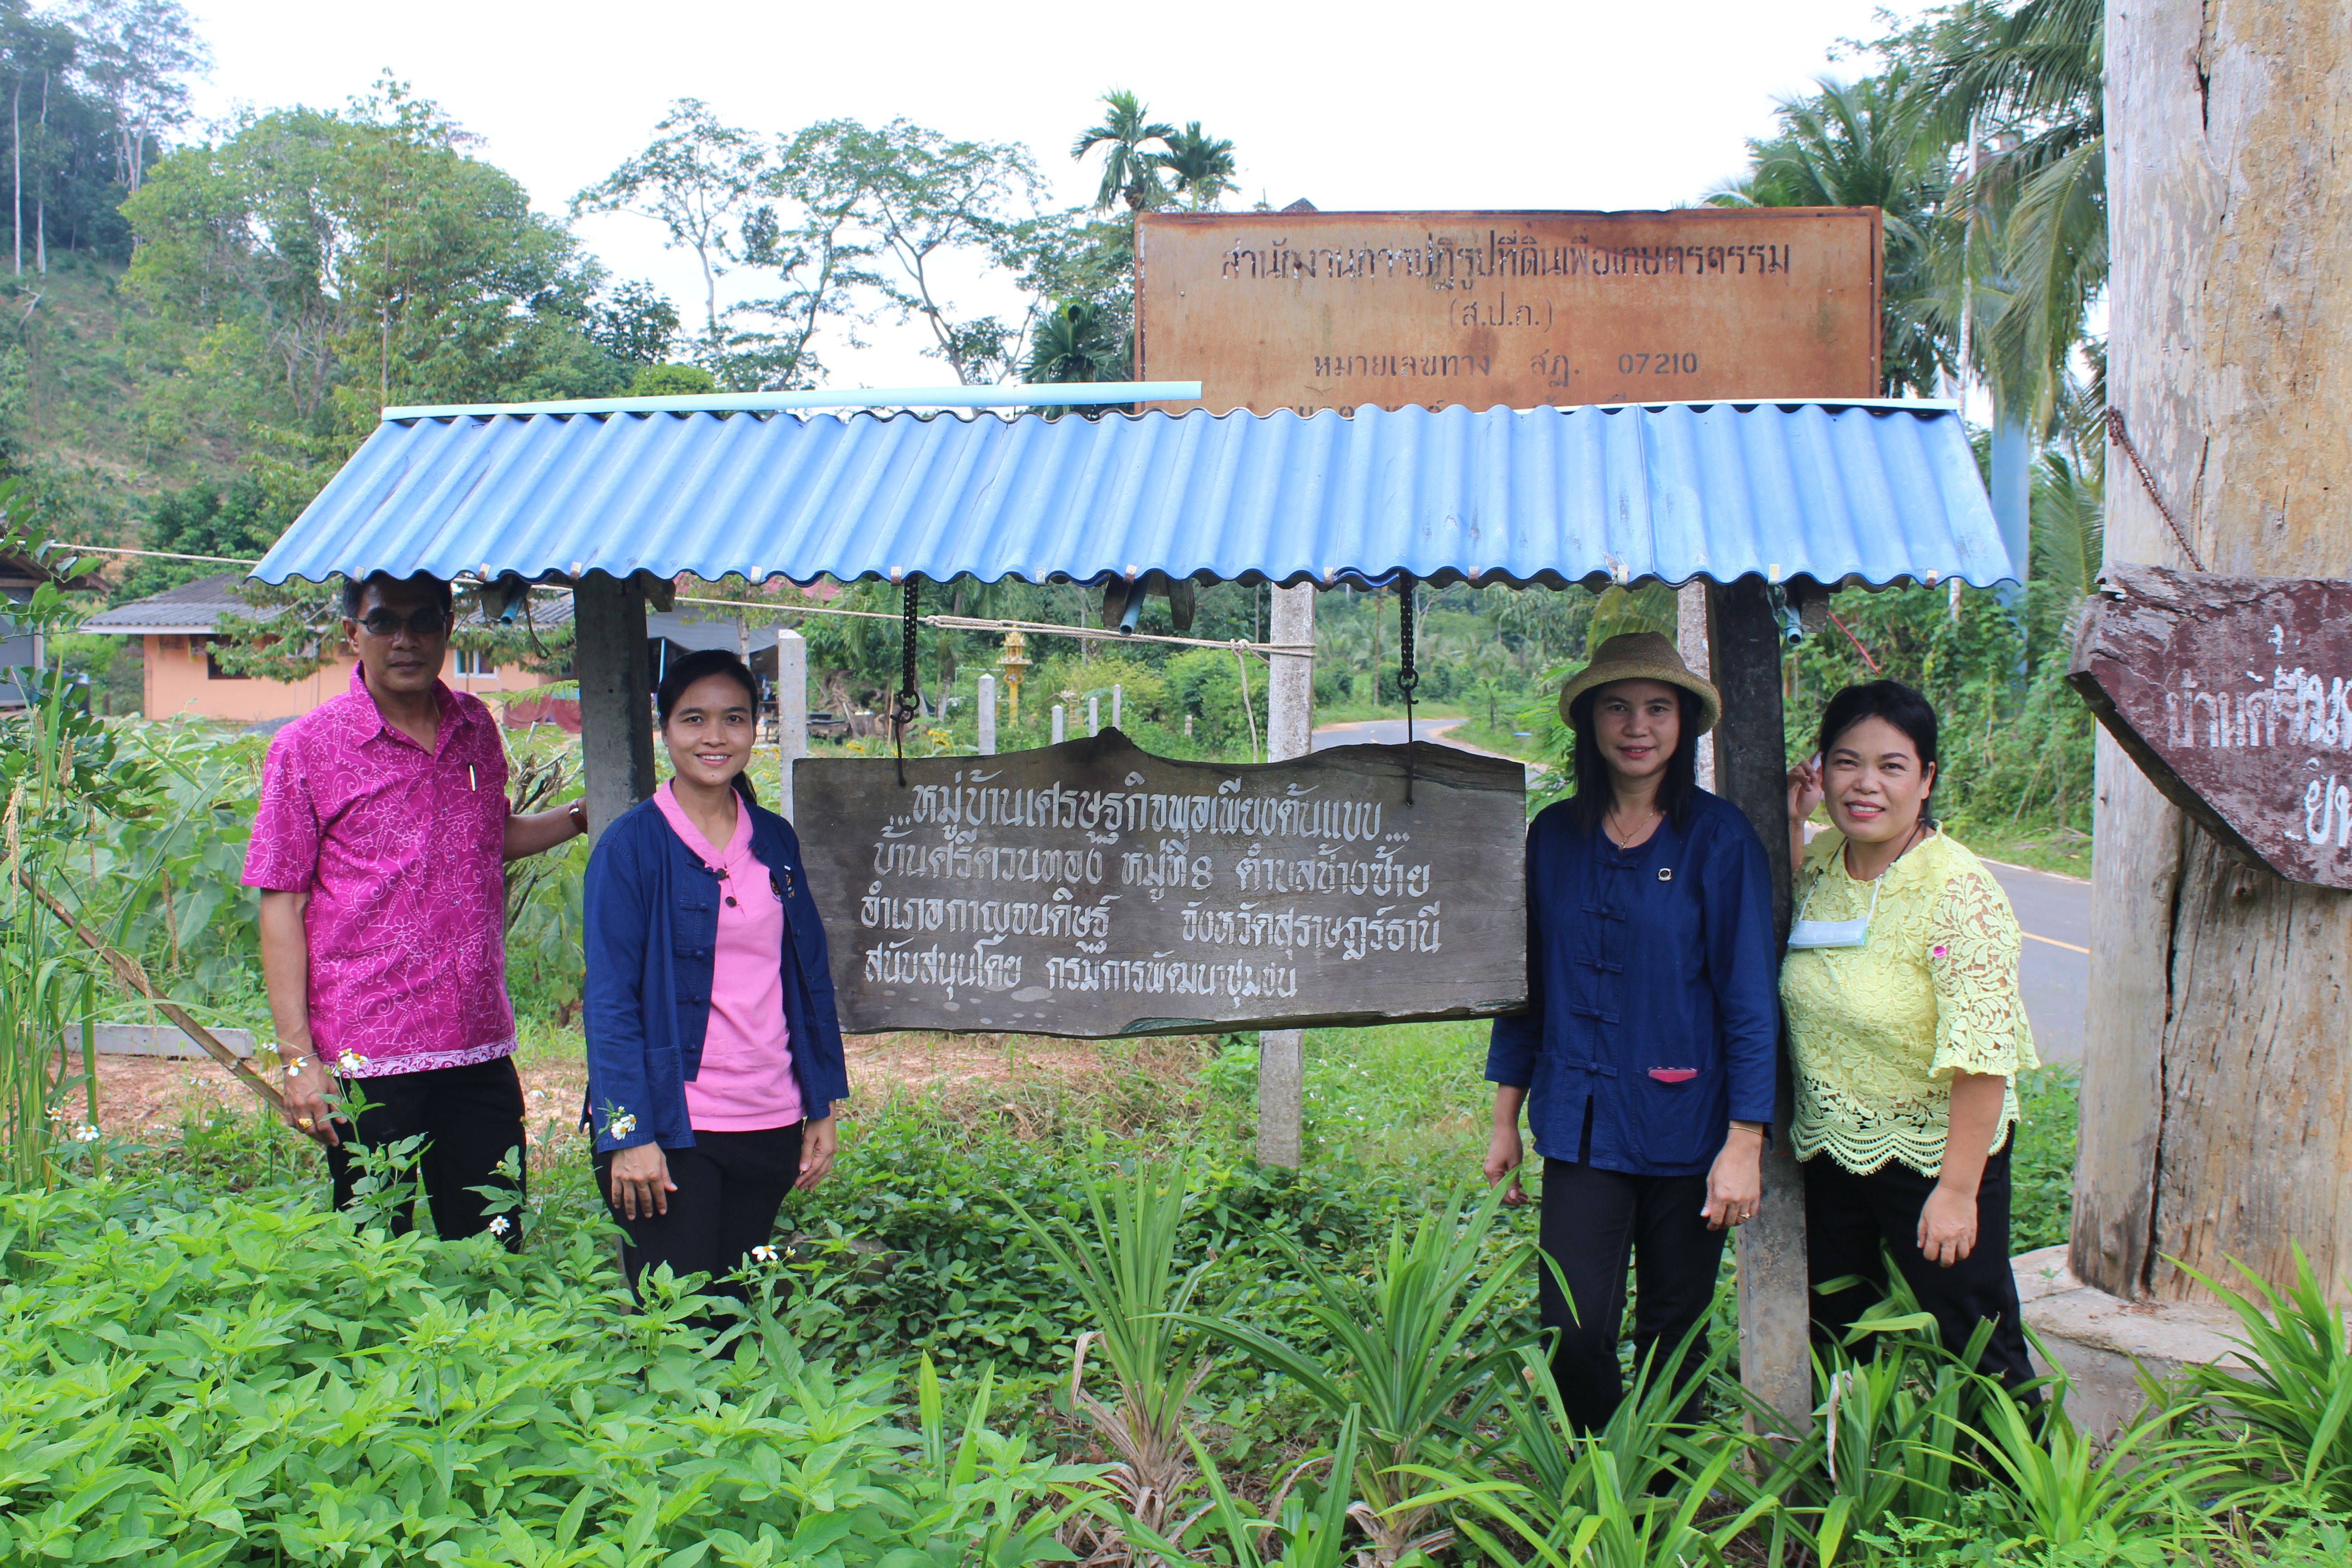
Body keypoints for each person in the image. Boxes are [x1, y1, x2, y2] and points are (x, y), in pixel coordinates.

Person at [1484, 632, 1781, 1433]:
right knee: (1573, 1327)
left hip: (1686, 1121)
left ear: (1683, 724)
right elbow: (1526, 985)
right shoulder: (1553, 836)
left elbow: (1750, 1000)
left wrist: (1745, 1140)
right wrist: (1505, 1117)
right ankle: (1604, 1464)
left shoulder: (1719, 840)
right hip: (1580, 1121)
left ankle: (1663, 1487)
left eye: (1657, 708)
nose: (1637, 727)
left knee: (1672, 1333)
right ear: (1590, 721)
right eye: (1617, 707)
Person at [247, 569, 588, 1242]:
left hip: (475, 1041)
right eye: (384, 622)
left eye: (424, 621)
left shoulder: (474, 726)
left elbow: (489, 836)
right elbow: (280, 903)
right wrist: (297, 1060)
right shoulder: (308, 746)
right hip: (368, 1050)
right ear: (354, 633)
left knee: (494, 1239)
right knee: (374, 1250)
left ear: (448, 629)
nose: (405, 639)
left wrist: (580, 816)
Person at [1782, 679, 2041, 1389]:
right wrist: (1792, 821)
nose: (1866, 784)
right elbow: (1781, 928)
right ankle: (1854, 1452)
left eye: (1892, 766)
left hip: (1935, 1150)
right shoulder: (1823, 864)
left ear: (1926, 780)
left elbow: (1983, 1055)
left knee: (1974, 1336)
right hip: (1831, 1146)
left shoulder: (1959, 890)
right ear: (1821, 771)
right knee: (1838, 1331)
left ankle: (2014, 1459)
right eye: (1846, 762)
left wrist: (1957, 1191)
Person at [583, 648, 848, 1308]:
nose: (715, 736)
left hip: (770, 1118)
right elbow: (611, 1002)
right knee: (678, 1325)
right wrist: (629, 1135)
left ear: (756, 727)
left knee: (736, 1316)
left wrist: (821, 1105)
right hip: (675, 1129)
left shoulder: (775, 841)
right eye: (693, 719)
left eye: (734, 718)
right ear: (664, 729)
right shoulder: (631, 846)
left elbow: (806, 978)